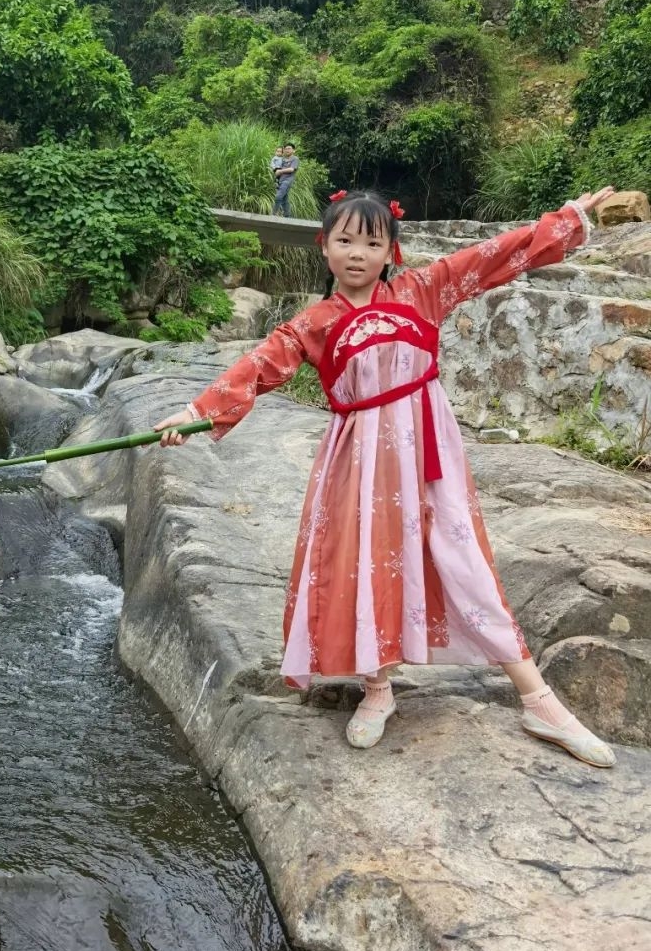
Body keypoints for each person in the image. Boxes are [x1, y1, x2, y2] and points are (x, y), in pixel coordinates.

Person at [155, 185, 618, 767]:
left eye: (372, 243)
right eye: (345, 240)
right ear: (324, 246)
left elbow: (492, 256)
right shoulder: (314, 323)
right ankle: (377, 688)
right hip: (359, 457)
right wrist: (196, 413)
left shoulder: (424, 290)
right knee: (366, 563)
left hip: (428, 451)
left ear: (391, 251)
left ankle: (537, 700)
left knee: (463, 557)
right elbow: (259, 366)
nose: (357, 253)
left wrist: (567, 219)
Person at [270, 143, 300, 218]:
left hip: (287, 181)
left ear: (293, 150)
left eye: (289, 148)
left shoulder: (295, 159)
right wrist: (275, 171)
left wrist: (280, 171)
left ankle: (273, 214)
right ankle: (287, 216)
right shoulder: (282, 159)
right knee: (284, 200)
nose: (287, 150)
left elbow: (291, 169)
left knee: (278, 197)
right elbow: (275, 167)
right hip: (280, 181)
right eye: (286, 149)